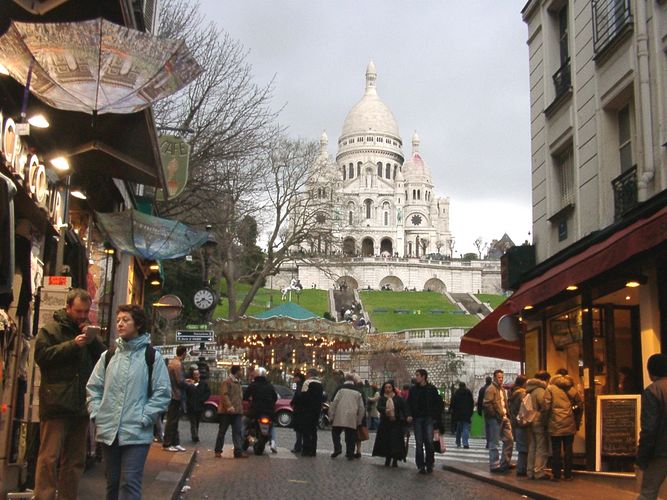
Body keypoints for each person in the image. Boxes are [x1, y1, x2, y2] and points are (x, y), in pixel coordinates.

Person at [86, 304, 171, 500]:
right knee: (112, 483)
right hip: (109, 430)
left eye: (126, 320)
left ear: (138, 324)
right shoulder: (108, 356)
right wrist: (97, 413)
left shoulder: (152, 357)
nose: (120, 324)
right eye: (118, 321)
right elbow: (93, 387)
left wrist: (145, 417)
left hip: (136, 431)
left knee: (130, 483)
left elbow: (162, 392)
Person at [34, 288, 105, 500]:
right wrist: (72, 346)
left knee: (75, 459)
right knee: (49, 457)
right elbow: (42, 356)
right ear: (68, 308)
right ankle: (44, 496)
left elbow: (104, 360)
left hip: (80, 404)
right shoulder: (51, 330)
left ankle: (68, 496)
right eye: (78, 311)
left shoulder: (88, 332)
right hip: (56, 402)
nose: (82, 316)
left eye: (86, 312)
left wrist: (92, 340)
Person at [636, 353, 667, 499]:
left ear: (651, 371)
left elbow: (649, 428)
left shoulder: (653, 391)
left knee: (648, 493)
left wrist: (642, 457)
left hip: (660, 451)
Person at [543, 368, 583, 481]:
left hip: (555, 423)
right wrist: (576, 421)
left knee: (556, 450)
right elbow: (580, 406)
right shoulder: (572, 389)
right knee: (568, 450)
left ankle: (556, 475)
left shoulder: (550, 388)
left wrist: (545, 421)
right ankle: (568, 474)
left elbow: (546, 407)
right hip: (569, 423)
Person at [406, 369, 443, 474]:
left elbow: (438, 403)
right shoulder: (413, 390)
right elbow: (409, 403)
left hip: (428, 418)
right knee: (419, 442)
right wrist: (409, 415)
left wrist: (435, 416)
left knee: (429, 442)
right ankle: (421, 465)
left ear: (423, 377)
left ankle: (429, 463)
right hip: (417, 418)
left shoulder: (431, 389)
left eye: (418, 375)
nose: (416, 377)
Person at [483, 369, 514, 473]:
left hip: (504, 417)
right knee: (494, 442)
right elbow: (487, 404)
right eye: (499, 377)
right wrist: (495, 415)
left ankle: (505, 462)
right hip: (496, 419)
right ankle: (494, 465)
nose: (501, 379)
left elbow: (504, 403)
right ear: (494, 378)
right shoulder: (491, 389)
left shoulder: (502, 390)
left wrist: (507, 414)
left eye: (502, 377)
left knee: (509, 440)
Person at [329, 373, 365, 460]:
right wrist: (359, 420)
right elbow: (361, 407)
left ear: (345, 379)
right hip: (352, 416)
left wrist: (331, 415)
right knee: (351, 436)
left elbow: (334, 402)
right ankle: (350, 453)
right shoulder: (358, 391)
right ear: (353, 380)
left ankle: (337, 448)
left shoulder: (340, 389)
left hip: (339, 414)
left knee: (335, 432)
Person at [163, 346, 191, 452]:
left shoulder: (172, 363)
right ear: (183, 353)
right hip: (175, 395)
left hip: (173, 393)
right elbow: (180, 381)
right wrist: (189, 385)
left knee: (174, 420)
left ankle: (174, 442)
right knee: (172, 420)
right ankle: (168, 443)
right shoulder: (177, 364)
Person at [372, 381, 408, 467]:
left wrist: (408, 416)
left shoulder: (398, 399)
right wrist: (385, 410)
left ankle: (395, 460)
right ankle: (387, 458)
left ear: (392, 389)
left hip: (396, 423)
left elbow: (404, 408)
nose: (387, 389)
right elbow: (379, 407)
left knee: (396, 442)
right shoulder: (382, 398)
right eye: (386, 388)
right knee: (386, 441)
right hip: (385, 423)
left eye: (389, 387)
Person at [215, 365, 248, 458]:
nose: (241, 373)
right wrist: (229, 406)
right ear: (237, 372)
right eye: (240, 371)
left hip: (237, 411)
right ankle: (218, 450)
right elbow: (224, 395)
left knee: (237, 431)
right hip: (227, 412)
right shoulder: (227, 381)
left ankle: (238, 451)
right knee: (222, 431)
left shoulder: (238, 382)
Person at [244, 367, 278, 453]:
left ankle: (241, 437)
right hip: (269, 412)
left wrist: (250, 400)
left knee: (243, 423)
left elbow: (245, 396)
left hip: (255, 411)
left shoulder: (253, 385)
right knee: (272, 425)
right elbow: (275, 397)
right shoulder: (270, 385)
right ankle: (273, 442)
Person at [525, 370, 551, 480]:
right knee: (541, 447)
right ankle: (539, 471)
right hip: (539, 421)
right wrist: (545, 420)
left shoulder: (530, 390)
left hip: (531, 420)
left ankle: (530, 471)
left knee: (532, 446)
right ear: (545, 380)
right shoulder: (540, 390)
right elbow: (544, 406)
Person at [299, 368, 324, 457]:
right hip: (316, 409)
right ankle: (313, 450)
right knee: (313, 430)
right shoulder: (320, 384)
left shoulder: (307, 383)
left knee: (306, 430)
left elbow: (303, 397)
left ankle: (306, 449)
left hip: (307, 410)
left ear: (309, 374)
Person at [508, 375, 528, 476]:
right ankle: (521, 469)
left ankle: (521, 468)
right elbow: (525, 408)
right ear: (523, 383)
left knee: (521, 445)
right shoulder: (522, 394)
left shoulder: (512, 392)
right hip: (521, 422)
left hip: (514, 421)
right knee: (524, 446)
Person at [186, 369, 210, 443]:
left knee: (197, 421)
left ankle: (195, 433)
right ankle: (195, 436)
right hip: (191, 405)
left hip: (199, 405)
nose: (196, 376)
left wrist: (203, 399)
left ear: (199, 375)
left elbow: (208, 392)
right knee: (193, 421)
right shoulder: (190, 384)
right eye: (194, 374)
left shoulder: (203, 383)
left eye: (197, 374)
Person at [450, 381, 474, 449]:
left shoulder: (456, 393)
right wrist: (470, 412)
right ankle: (465, 443)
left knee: (458, 429)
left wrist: (453, 412)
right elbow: (471, 403)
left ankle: (458, 442)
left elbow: (452, 404)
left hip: (458, 414)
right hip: (466, 413)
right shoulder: (468, 393)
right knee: (465, 428)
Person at [289, 371, 305, 453]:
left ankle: (298, 446)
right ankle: (299, 445)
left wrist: (293, 402)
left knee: (298, 429)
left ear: (298, 378)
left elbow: (297, 395)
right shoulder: (303, 385)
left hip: (299, 410)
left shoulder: (299, 385)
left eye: (295, 377)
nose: (294, 379)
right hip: (302, 409)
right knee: (300, 429)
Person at [477, 376, 492, 449]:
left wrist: (479, 410)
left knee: (487, 426)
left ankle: (488, 442)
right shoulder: (493, 389)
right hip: (493, 410)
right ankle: (492, 442)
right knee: (493, 426)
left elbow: (479, 400)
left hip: (485, 410)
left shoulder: (482, 389)